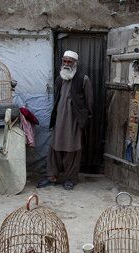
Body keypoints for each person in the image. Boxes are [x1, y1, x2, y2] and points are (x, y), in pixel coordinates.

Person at [37, 50, 93, 190]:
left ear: (75, 63)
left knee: (72, 149)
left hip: (74, 120)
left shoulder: (83, 79)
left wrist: (85, 119)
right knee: (54, 147)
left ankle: (70, 178)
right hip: (59, 119)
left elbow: (89, 102)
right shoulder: (59, 79)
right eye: (65, 61)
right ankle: (52, 176)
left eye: (70, 61)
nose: (67, 64)